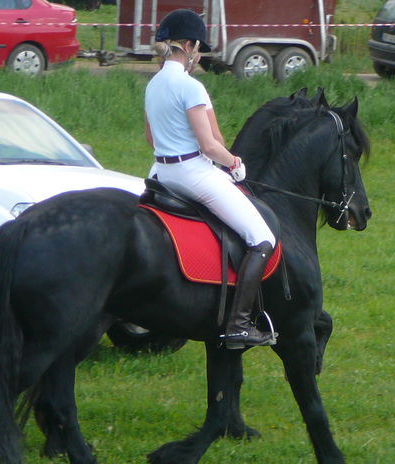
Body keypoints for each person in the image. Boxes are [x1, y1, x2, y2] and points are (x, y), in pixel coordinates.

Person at [144, 9, 277, 349]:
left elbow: (150, 139)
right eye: (197, 46)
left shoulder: (154, 84)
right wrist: (234, 163)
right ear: (188, 46)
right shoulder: (191, 86)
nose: (198, 52)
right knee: (261, 238)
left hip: (159, 172)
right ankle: (239, 325)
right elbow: (208, 144)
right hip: (192, 173)